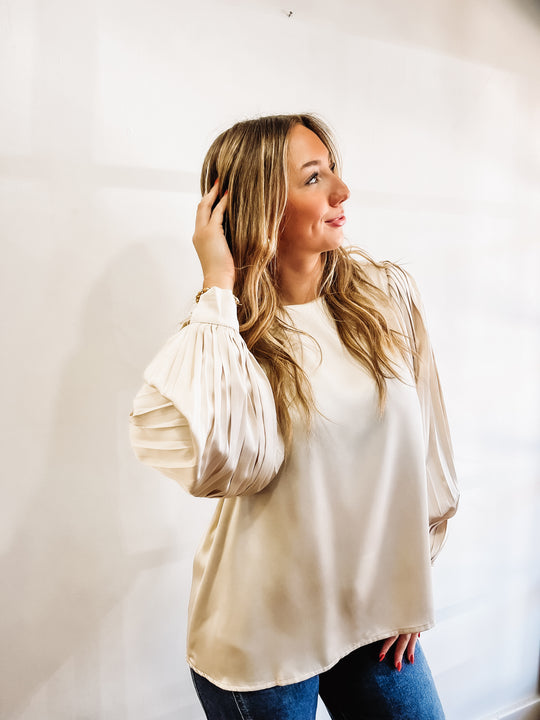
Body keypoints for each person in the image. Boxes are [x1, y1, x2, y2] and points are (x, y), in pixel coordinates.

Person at [129, 113, 459, 720]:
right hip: (262, 639)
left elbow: (426, 446)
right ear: (259, 207)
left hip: (374, 621)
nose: (342, 192)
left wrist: (408, 584)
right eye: (314, 178)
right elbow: (216, 467)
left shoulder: (386, 299)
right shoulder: (227, 334)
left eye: (334, 170)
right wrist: (217, 282)